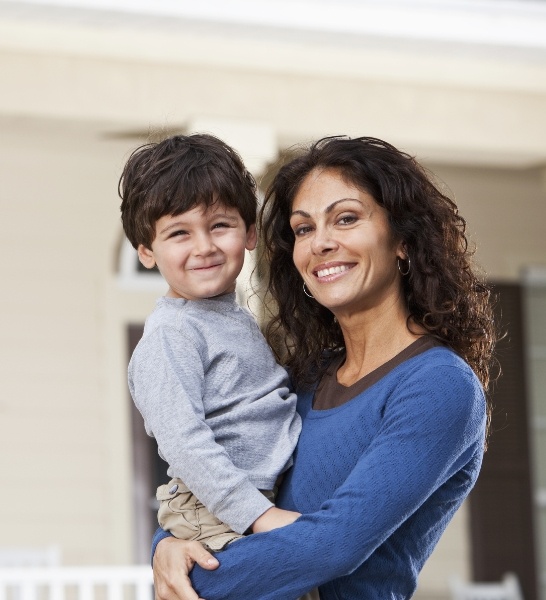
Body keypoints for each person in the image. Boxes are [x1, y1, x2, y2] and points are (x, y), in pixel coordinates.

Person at [151, 135, 497, 600]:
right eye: (303, 229)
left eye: (346, 218)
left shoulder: (437, 386)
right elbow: (216, 476)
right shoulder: (304, 380)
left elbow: (332, 547)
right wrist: (167, 544)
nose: (322, 244)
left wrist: (191, 575)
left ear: (402, 238)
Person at [118, 134, 302, 553]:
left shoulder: (229, 316)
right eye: (179, 233)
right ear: (147, 251)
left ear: (250, 232)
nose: (204, 247)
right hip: (215, 511)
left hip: (251, 502)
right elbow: (184, 443)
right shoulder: (171, 335)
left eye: (220, 225)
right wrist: (257, 515)